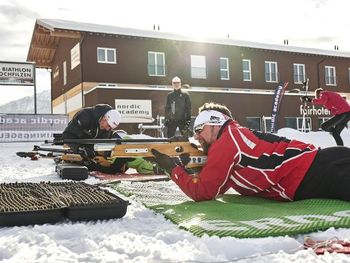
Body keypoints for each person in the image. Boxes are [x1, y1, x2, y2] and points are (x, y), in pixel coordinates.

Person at [151, 102, 350, 202]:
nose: (197, 136)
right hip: (318, 166)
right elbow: (218, 182)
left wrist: (174, 169)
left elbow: (203, 191)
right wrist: (192, 169)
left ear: (214, 122)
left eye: (199, 129)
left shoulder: (227, 141)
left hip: (316, 171)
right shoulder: (232, 136)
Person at [62, 104, 158, 174]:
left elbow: (102, 144)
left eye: (111, 128)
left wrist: (100, 154)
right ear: (104, 118)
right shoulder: (84, 116)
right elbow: (67, 136)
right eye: (108, 125)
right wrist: (79, 148)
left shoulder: (108, 128)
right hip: (76, 143)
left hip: (91, 148)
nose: (108, 129)